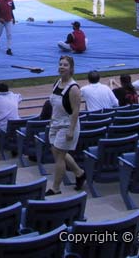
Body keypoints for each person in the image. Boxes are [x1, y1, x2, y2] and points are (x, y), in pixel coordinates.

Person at [46, 55, 85, 196]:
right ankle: (79, 173)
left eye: (65, 65)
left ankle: (55, 188)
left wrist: (71, 130)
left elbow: (75, 111)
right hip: (55, 123)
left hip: (67, 125)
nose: (62, 67)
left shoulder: (74, 88)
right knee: (57, 152)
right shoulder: (56, 83)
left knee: (59, 157)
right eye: (60, 64)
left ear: (71, 68)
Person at [0, 82, 22, 157]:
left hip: (3, 127)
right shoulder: (15, 96)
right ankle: (15, 148)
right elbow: (19, 98)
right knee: (14, 129)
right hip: (16, 125)